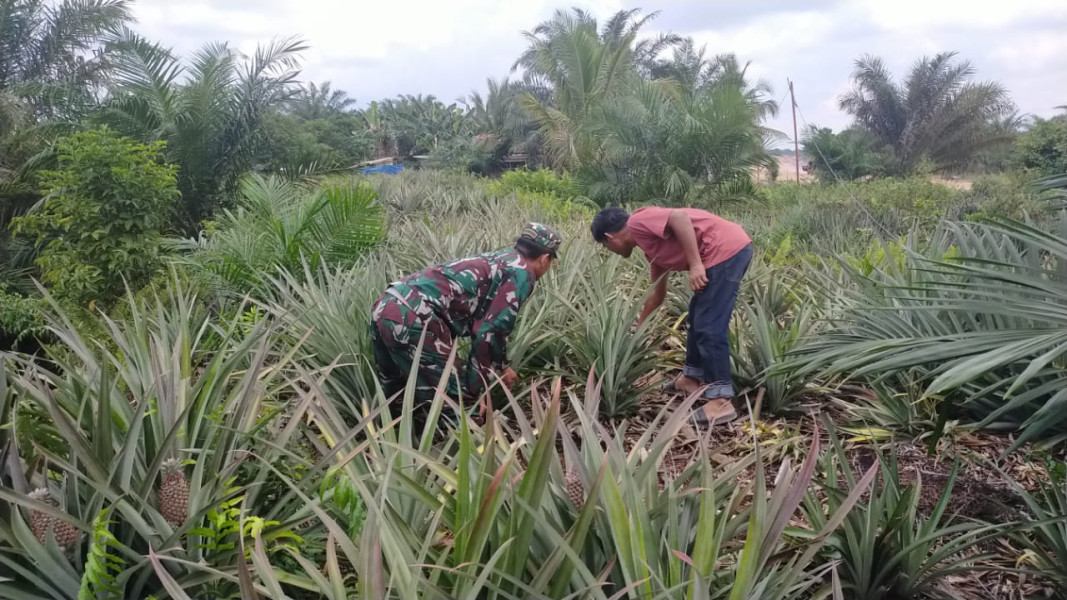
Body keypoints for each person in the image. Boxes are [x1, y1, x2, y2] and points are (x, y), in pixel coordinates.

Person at [370, 222, 562, 424]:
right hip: (416, 318)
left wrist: (502, 365)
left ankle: (379, 444)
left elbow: (487, 323)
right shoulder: (522, 274)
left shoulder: (501, 258)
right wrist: (472, 392)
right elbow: (489, 333)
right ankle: (464, 451)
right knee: (455, 408)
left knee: (395, 390)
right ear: (545, 258)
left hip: (387, 305)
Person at [590, 206, 753, 428]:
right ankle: (691, 379)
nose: (608, 250)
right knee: (696, 319)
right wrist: (638, 331)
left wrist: (695, 265)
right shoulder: (652, 250)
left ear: (609, 237)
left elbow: (679, 217)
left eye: (604, 245)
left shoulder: (637, 222)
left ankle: (720, 401)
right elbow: (657, 294)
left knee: (709, 325)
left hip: (725, 250)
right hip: (721, 253)